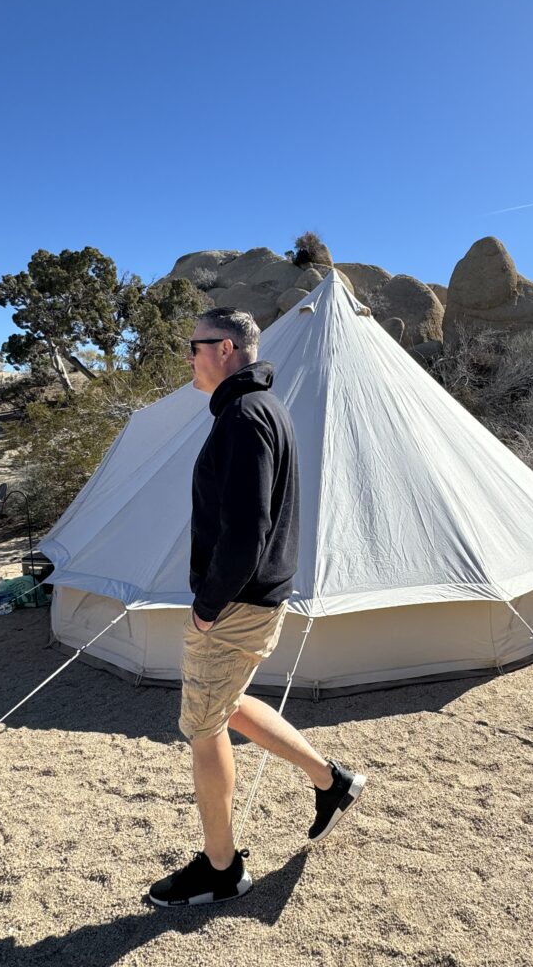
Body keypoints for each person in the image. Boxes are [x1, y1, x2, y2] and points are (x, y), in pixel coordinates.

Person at [148, 307, 366, 908]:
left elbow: (246, 531)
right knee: (229, 703)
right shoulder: (263, 410)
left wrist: (207, 608)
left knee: (203, 724)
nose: (188, 357)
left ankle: (221, 870)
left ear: (224, 347)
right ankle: (333, 781)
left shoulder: (244, 417)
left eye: (193, 346)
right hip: (259, 598)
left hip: (237, 602)